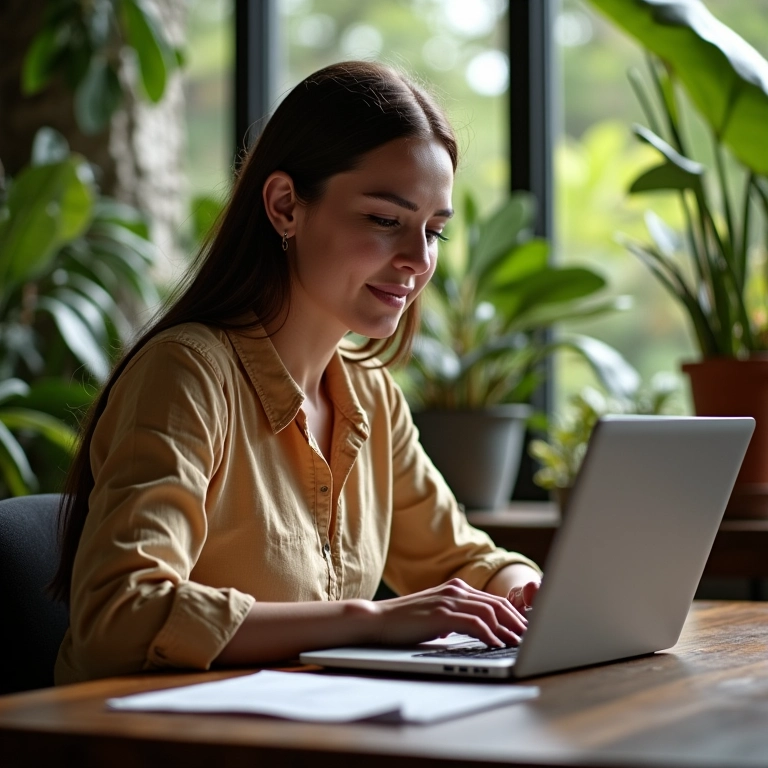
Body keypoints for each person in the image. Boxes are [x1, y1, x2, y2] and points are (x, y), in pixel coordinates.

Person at [51, 60, 541, 684]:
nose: (417, 260)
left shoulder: (370, 395)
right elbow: (117, 617)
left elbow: (461, 559)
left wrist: (529, 591)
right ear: (285, 205)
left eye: (434, 232)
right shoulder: (187, 375)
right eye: (385, 220)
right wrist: (372, 620)